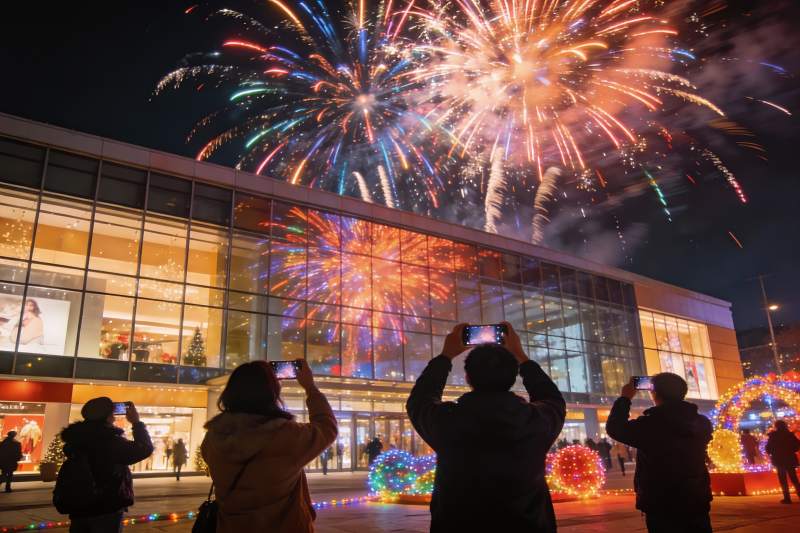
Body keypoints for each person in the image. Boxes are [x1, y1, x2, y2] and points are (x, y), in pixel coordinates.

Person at [406, 322, 566, 532]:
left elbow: (419, 400)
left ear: (468, 378)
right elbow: (552, 398)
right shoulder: (536, 421)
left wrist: (445, 356)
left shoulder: (447, 421)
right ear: (513, 377)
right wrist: (522, 357)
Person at [202, 360, 337, 533]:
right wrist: (310, 388)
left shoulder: (214, 437)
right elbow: (327, 427)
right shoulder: (286, 435)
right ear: (272, 392)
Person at [606, 373, 713, 533]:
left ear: (654, 393)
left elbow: (615, 428)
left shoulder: (651, 425)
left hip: (661, 500)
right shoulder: (701, 422)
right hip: (696, 495)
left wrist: (625, 398)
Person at [60, 397, 153, 532]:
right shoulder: (110, 442)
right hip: (106, 507)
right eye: (112, 413)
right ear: (108, 416)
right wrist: (136, 422)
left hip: (79, 507)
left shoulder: (77, 440)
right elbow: (144, 448)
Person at [765, 420, 800, 504]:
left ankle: (787, 498)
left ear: (776, 426)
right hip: (790, 458)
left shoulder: (773, 436)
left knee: (782, 479)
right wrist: (791, 450)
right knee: (794, 478)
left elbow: (768, 448)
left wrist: (773, 452)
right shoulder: (789, 435)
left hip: (779, 459)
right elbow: (797, 445)